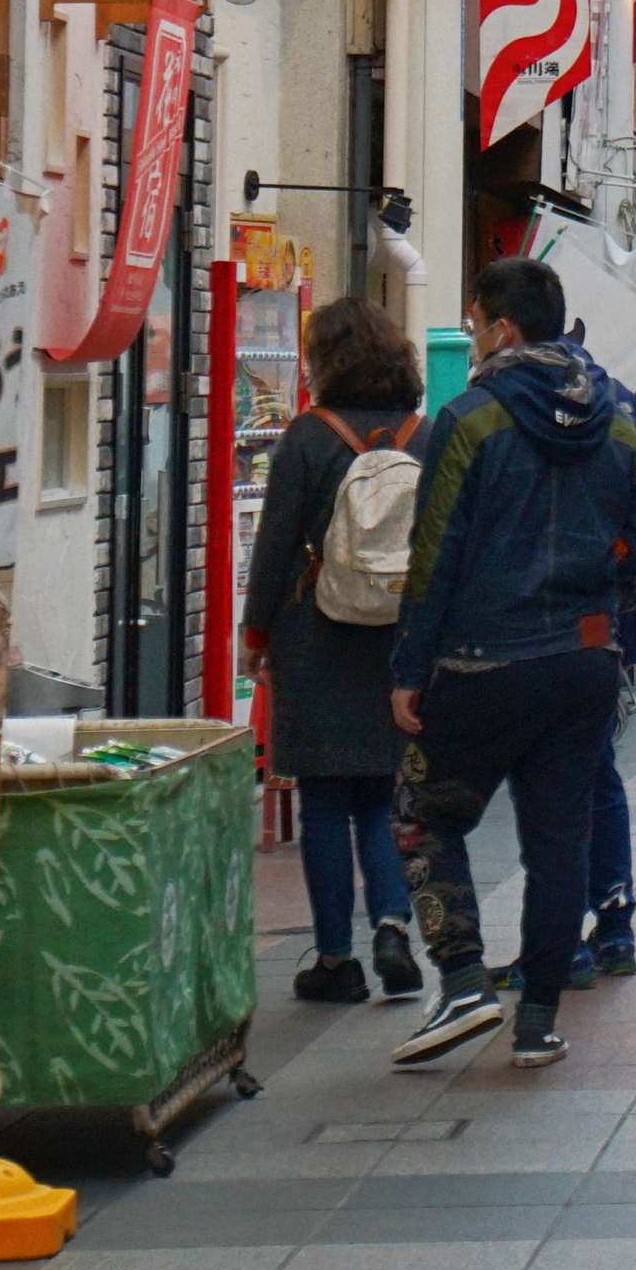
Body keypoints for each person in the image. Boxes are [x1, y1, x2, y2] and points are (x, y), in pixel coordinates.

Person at [385, 254, 636, 1071]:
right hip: (583, 660)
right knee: (559, 836)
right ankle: (539, 1020)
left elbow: (432, 552)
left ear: (502, 327)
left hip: (482, 661)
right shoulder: (619, 420)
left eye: (475, 324)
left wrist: (411, 665)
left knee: (424, 813)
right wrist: (599, 609)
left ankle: (466, 981)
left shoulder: (470, 419)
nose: (472, 340)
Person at [244, 296, 435, 1004]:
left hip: (316, 633)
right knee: (386, 794)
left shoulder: (307, 437)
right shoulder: (424, 434)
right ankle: (392, 923)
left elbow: (273, 547)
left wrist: (254, 633)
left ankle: (335, 959)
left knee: (325, 801)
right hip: (401, 637)